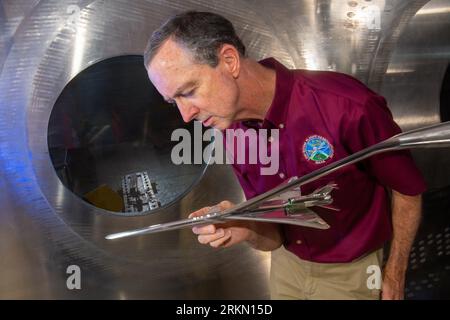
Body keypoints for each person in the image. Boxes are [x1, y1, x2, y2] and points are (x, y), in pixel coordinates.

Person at [143, 11, 426, 300]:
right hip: (287, 268)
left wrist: (395, 271)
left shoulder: (347, 105)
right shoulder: (231, 130)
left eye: (188, 91)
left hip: (354, 272)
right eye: (173, 101)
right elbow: (274, 237)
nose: (185, 115)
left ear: (229, 61)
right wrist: (244, 226)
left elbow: (407, 190)